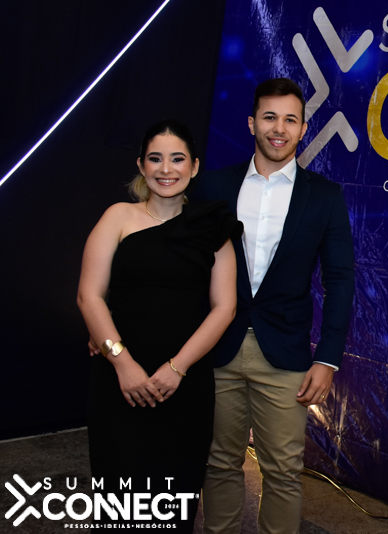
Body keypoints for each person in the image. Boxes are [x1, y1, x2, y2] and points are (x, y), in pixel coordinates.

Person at [195, 78, 355, 534]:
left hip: (285, 354)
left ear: (303, 128)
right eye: (269, 117)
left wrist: (328, 358)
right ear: (252, 123)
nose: (278, 129)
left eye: (290, 120)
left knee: (283, 472)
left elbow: (340, 279)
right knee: (219, 462)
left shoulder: (324, 196)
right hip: (216, 347)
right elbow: (183, 266)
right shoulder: (213, 186)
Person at [78, 120, 242, 532]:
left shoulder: (214, 227)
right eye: (155, 158)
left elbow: (224, 307)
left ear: (195, 166)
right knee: (119, 503)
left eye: (177, 159)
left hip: (184, 385)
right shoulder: (118, 216)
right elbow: (89, 296)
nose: (166, 169)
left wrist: (177, 368)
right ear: (141, 165)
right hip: (119, 384)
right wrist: (122, 364)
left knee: (174, 501)